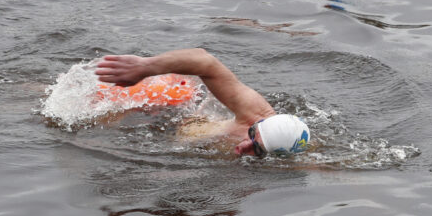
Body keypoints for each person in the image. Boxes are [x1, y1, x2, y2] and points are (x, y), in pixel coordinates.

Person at [94, 48, 310, 158]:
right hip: (170, 116)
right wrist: (145, 67)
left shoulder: (292, 157)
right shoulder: (254, 111)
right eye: (252, 134)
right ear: (258, 124)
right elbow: (204, 60)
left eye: (259, 150)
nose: (245, 146)